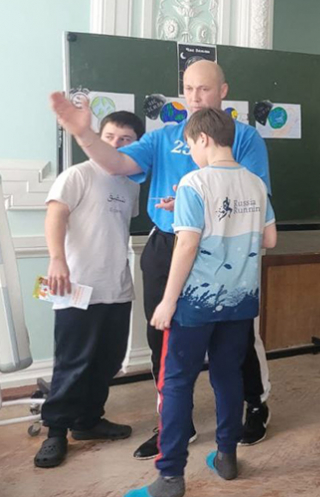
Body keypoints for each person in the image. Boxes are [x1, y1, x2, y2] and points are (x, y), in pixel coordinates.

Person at [49, 60, 274, 458]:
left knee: (235, 336)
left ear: (223, 91)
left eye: (204, 89)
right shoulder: (164, 136)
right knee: (163, 336)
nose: (194, 97)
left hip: (225, 246)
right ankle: (175, 422)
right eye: (188, 89)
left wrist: (194, 208)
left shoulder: (245, 137)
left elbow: (252, 197)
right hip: (167, 244)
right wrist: (84, 134)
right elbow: (116, 163)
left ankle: (254, 405)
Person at [125, 108, 277, 497]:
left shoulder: (195, 181)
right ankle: (227, 457)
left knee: (176, 381)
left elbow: (187, 245)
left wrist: (167, 301)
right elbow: (270, 239)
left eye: (191, 145)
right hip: (240, 302)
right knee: (227, 376)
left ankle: (170, 477)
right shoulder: (256, 184)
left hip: (196, 304)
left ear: (204, 139)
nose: (191, 152)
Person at [34, 111, 145, 468]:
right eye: (109, 136)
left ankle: (88, 421)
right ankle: (55, 431)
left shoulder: (131, 184)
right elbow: (55, 215)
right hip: (75, 285)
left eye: (125, 140)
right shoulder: (78, 175)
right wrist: (57, 259)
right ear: (98, 136)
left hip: (117, 287)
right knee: (73, 362)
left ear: (137, 145)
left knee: (108, 360)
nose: (115, 144)